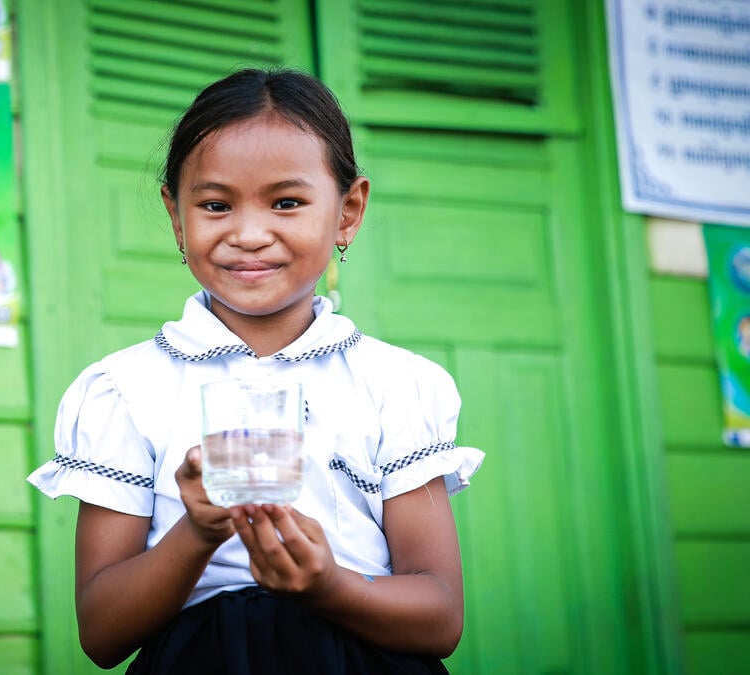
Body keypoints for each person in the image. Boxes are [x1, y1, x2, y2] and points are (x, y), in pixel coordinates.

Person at [27, 67, 484, 674]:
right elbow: (103, 634)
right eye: (215, 205)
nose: (248, 234)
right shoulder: (127, 390)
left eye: (287, 203)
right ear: (175, 216)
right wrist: (198, 530)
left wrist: (329, 585)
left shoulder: (395, 387)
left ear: (348, 212)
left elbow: (441, 616)